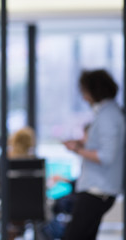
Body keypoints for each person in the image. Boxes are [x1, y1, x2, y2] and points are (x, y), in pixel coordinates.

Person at [62, 69, 125, 240]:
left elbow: (106, 156)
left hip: (97, 191)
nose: (84, 97)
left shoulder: (108, 116)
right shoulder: (108, 113)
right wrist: (83, 145)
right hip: (98, 189)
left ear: (94, 91)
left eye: (84, 92)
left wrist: (77, 150)